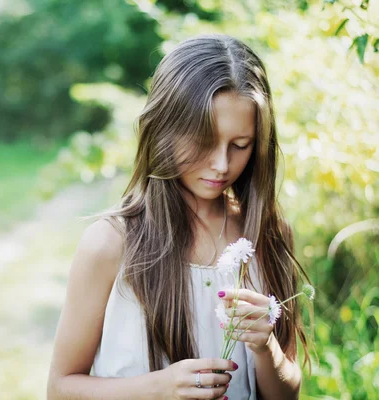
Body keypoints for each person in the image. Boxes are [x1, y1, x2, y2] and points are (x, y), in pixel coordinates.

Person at [47, 34, 311, 400]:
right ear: (164, 129)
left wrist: (266, 347)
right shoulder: (110, 243)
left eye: (240, 145)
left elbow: (287, 394)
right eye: (204, 141)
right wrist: (157, 388)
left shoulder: (267, 236)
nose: (221, 165)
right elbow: (60, 388)